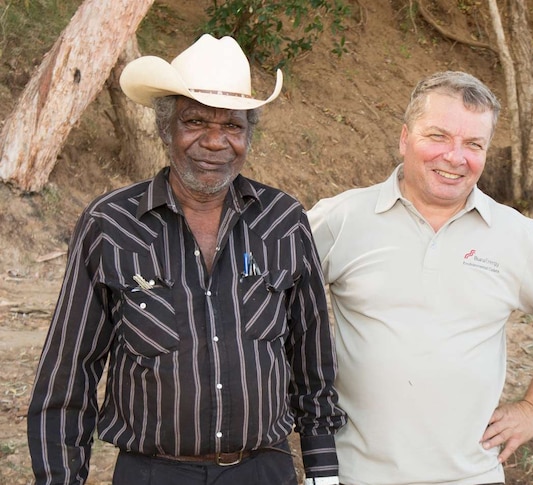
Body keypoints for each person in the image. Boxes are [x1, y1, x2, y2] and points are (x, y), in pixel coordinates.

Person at [27, 34, 345, 485]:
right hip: (152, 472)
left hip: (263, 471)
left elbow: (313, 360)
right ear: (165, 129)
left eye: (233, 126)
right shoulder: (111, 224)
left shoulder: (284, 220)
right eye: (194, 121)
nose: (215, 142)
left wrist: (323, 471)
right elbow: (68, 376)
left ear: (248, 135)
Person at [308, 70, 533, 485]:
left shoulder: (514, 234)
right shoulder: (342, 219)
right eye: (438, 136)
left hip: (471, 476)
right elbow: (266, 292)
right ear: (405, 138)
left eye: (473, 144)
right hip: (357, 474)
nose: (455, 157)